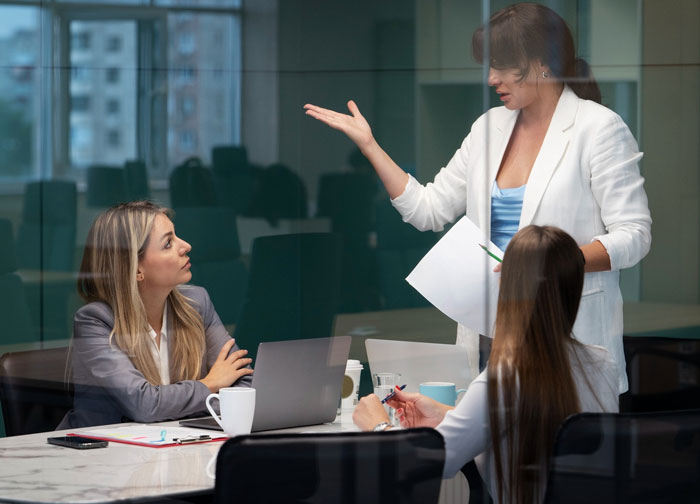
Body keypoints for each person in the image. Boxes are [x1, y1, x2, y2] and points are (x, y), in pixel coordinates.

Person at [304, 2, 651, 392]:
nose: (491, 79)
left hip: (564, 336)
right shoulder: (489, 127)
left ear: (540, 62)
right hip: (489, 338)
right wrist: (370, 146)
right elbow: (427, 210)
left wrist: (558, 259)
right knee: (488, 452)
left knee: (559, 451)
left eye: (502, 66)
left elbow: (634, 236)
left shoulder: (598, 128)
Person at [353, 225, 619, 504]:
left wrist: (378, 426)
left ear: (506, 287)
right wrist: (448, 414)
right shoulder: (602, 363)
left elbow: (428, 464)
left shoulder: (504, 378)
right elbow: (525, 420)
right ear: (576, 287)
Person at [58, 201, 253, 429]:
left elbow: (244, 385)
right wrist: (210, 384)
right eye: (168, 243)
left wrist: (175, 404)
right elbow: (144, 405)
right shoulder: (94, 321)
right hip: (106, 457)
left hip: (179, 447)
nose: (186, 246)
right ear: (136, 268)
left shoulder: (197, 303)